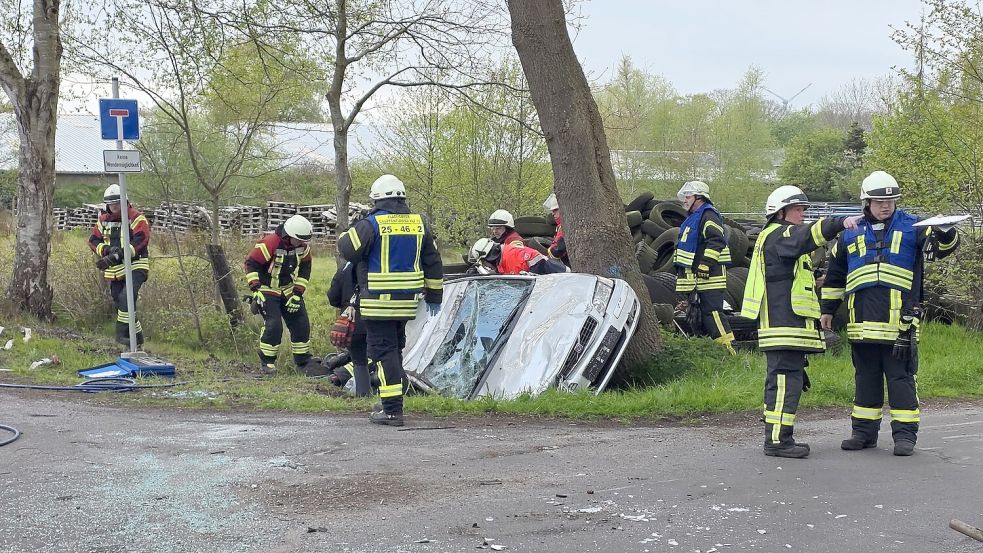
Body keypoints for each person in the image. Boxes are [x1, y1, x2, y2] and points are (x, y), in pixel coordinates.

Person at [819, 171, 960, 457]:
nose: (886, 206)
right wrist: (827, 311)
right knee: (866, 378)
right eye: (879, 201)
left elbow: (941, 249)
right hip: (861, 323)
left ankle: (905, 436)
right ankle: (863, 433)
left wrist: (946, 231)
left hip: (900, 322)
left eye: (891, 200)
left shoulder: (914, 227)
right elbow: (835, 275)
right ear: (866, 202)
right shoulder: (849, 232)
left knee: (901, 380)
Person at [741, 185, 862, 459]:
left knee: (786, 381)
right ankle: (777, 441)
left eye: (804, 210)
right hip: (783, 327)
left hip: (787, 327)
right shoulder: (780, 234)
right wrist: (838, 223)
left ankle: (780, 437)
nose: (802, 215)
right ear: (780, 212)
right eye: (798, 209)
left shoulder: (776, 239)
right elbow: (808, 235)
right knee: (783, 383)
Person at [338, 174, 443, 426]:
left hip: (377, 303)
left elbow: (347, 249)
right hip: (407, 303)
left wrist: (353, 226)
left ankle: (392, 410)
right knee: (394, 351)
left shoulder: (371, 224)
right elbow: (433, 260)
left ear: (376, 199)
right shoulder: (420, 223)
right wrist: (435, 294)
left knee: (383, 354)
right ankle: (392, 403)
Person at [244, 214, 317, 375]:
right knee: (274, 325)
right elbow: (250, 264)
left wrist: (298, 294)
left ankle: (303, 361)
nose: (302, 244)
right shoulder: (269, 243)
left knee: (301, 322)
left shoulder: (303, 247)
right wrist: (255, 289)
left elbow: (305, 269)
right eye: (299, 240)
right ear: (288, 235)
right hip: (267, 288)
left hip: (288, 288)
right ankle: (267, 362)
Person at [672, 180, 735, 353]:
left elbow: (716, 241)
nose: (685, 200)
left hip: (710, 276)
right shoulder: (694, 217)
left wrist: (705, 265)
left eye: (688, 196)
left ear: (699, 197)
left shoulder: (708, 215)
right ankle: (710, 351)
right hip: (697, 277)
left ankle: (728, 351)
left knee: (713, 314)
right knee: (699, 316)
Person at [88, 184, 151, 347]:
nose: (114, 206)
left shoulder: (137, 218)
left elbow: (141, 240)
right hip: (115, 271)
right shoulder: (102, 221)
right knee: (120, 304)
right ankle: (137, 338)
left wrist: (118, 255)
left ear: (125, 201)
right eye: (111, 203)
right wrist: (107, 251)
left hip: (136, 265)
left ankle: (120, 332)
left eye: (117, 202)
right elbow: (93, 241)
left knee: (126, 298)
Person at [326, 261, 371, 396]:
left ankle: (364, 395)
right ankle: (395, 398)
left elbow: (333, 296)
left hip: (352, 322)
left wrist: (346, 304)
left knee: (359, 361)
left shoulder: (345, 267)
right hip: (377, 317)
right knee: (385, 357)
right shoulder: (377, 263)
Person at [469, 238, 569, 275]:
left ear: (488, 258)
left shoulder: (513, 258)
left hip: (562, 278)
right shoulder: (502, 257)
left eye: (484, 263)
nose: (486, 266)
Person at [543, 193, 569, 266]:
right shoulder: (559, 227)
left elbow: (560, 249)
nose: (553, 214)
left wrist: (548, 257)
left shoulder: (566, 226)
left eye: (555, 210)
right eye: (552, 211)